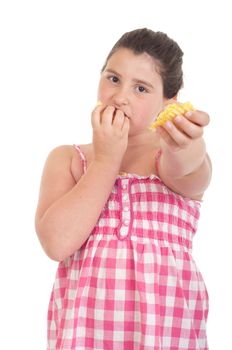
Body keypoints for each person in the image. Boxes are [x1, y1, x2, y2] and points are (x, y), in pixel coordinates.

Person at [35, 28, 212, 349]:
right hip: (85, 336)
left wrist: (187, 140)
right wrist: (105, 160)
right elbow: (57, 244)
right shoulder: (68, 160)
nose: (121, 96)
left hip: (167, 334)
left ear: (168, 101)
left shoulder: (168, 157)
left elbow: (189, 164)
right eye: (113, 79)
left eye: (141, 88)